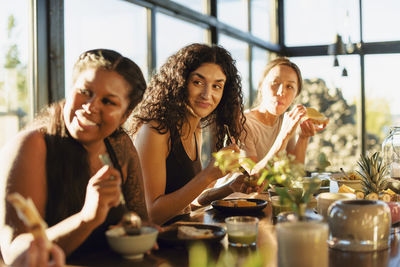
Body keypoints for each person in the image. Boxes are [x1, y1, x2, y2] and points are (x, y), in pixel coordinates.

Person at [0, 49, 148, 263]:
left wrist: (140, 230)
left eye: (108, 102)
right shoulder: (32, 145)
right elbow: (14, 252)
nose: (90, 107)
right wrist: (86, 218)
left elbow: (140, 220)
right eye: (85, 91)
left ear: (124, 115)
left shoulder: (120, 145)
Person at [131, 43, 246, 225]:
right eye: (198, 82)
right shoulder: (155, 130)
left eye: (217, 86)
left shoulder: (196, 128)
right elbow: (151, 215)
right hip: (157, 245)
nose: (207, 94)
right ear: (179, 82)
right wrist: (207, 175)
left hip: (184, 235)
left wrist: (229, 189)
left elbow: (186, 202)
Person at [243, 57, 328, 172]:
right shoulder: (243, 123)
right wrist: (284, 134)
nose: (281, 92)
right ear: (260, 86)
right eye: (275, 83)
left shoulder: (284, 120)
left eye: (289, 87)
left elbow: (294, 174)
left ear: (295, 96)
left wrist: (303, 138)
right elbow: (254, 178)